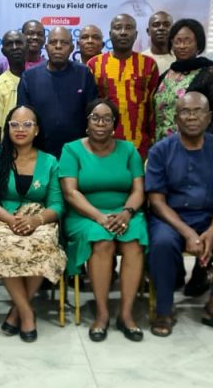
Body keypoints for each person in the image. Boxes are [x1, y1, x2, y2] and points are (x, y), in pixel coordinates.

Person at [146, 92, 213, 337]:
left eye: (198, 111)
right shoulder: (160, 151)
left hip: (212, 217)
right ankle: (164, 309)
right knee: (162, 243)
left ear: (209, 117)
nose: (192, 116)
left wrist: (212, 231)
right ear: (176, 118)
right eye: (186, 111)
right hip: (171, 218)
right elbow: (156, 201)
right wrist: (186, 232)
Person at [0, 105, 66, 342]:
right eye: (14, 124)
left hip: (38, 219)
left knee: (45, 242)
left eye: (27, 124)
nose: (20, 129)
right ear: (7, 128)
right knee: (2, 243)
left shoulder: (50, 162)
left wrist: (36, 220)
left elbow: (57, 205)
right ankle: (26, 312)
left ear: (37, 130)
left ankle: (17, 311)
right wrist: (9, 219)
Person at [59, 99, 147, 342]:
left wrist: (127, 212)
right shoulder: (71, 150)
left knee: (134, 241)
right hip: (85, 214)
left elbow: (139, 189)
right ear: (87, 123)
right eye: (95, 117)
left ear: (114, 125)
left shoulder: (129, 150)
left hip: (125, 211)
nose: (101, 123)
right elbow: (70, 192)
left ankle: (126, 315)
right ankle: (102, 314)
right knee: (102, 242)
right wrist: (99, 217)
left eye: (107, 118)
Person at [153, 18, 213, 148]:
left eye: (187, 41)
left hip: (194, 149)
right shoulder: (165, 75)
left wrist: (203, 142)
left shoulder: (210, 72)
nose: (182, 46)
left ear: (198, 44)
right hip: (162, 148)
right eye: (177, 41)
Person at [17, 26, 99, 157]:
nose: (58, 46)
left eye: (64, 43)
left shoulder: (84, 74)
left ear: (72, 48)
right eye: (53, 42)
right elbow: (23, 118)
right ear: (46, 47)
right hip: (39, 154)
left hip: (78, 154)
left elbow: (92, 115)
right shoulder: (30, 76)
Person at [88, 14, 160, 158]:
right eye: (117, 28)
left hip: (138, 145)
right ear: (110, 34)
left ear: (136, 35)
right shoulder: (94, 64)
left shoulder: (148, 64)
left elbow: (153, 107)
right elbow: (88, 107)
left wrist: (152, 139)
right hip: (101, 143)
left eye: (129, 28)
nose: (123, 32)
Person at [0, 30, 27, 143]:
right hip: (9, 151)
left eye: (19, 43)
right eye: (10, 44)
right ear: (3, 51)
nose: (15, 47)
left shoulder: (36, 79)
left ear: (27, 47)